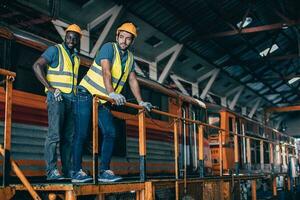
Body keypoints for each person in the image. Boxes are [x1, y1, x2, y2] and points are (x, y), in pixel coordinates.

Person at [72, 22, 153, 183]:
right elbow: (106, 71)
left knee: (110, 132)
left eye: (128, 39)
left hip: (102, 100)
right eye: (121, 37)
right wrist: (112, 93)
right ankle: (76, 171)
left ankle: (104, 171)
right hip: (86, 94)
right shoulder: (109, 48)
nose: (124, 41)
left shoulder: (129, 58)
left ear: (132, 41)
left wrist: (141, 102)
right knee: (81, 133)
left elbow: (132, 80)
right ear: (117, 36)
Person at [32, 24, 81, 180]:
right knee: (54, 135)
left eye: (75, 38)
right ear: (65, 37)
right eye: (69, 37)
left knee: (68, 138)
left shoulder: (76, 57)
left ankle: (67, 171)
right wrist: (50, 88)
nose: (71, 40)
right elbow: (36, 66)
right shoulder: (55, 50)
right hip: (57, 98)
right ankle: (51, 171)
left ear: (78, 39)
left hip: (71, 100)